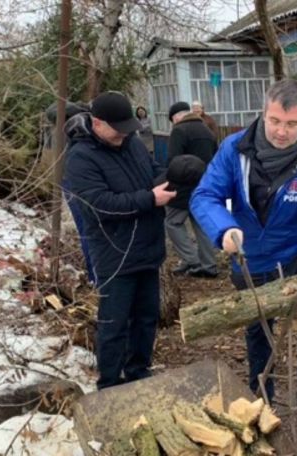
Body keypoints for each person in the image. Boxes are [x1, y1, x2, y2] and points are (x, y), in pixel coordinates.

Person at [190, 79, 297, 413]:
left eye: (292, 124)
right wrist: (224, 229)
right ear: (263, 114)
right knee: (258, 324)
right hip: (250, 253)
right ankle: (261, 388)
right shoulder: (234, 149)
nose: (282, 131)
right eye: (275, 121)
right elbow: (205, 196)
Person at [62, 91, 176, 390]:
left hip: (149, 248)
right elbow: (99, 204)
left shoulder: (133, 144)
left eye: (128, 127)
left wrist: (171, 178)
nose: (125, 133)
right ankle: (110, 382)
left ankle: (138, 370)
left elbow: (152, 172)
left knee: (146, 317)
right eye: (119, 127)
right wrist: (150, 198)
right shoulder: (80, 158)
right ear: (97, 123)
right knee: (114, 323)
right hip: (115, 252)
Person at [165, 101, 219, 278]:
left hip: (182, 186)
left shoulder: (179, 131)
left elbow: (174, 161)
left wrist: (167, 184)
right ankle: (209, 264)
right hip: (204, 185)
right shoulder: (207, 132)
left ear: (176, 117)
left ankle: (191, 259)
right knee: (201, 224)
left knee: (172, 222)